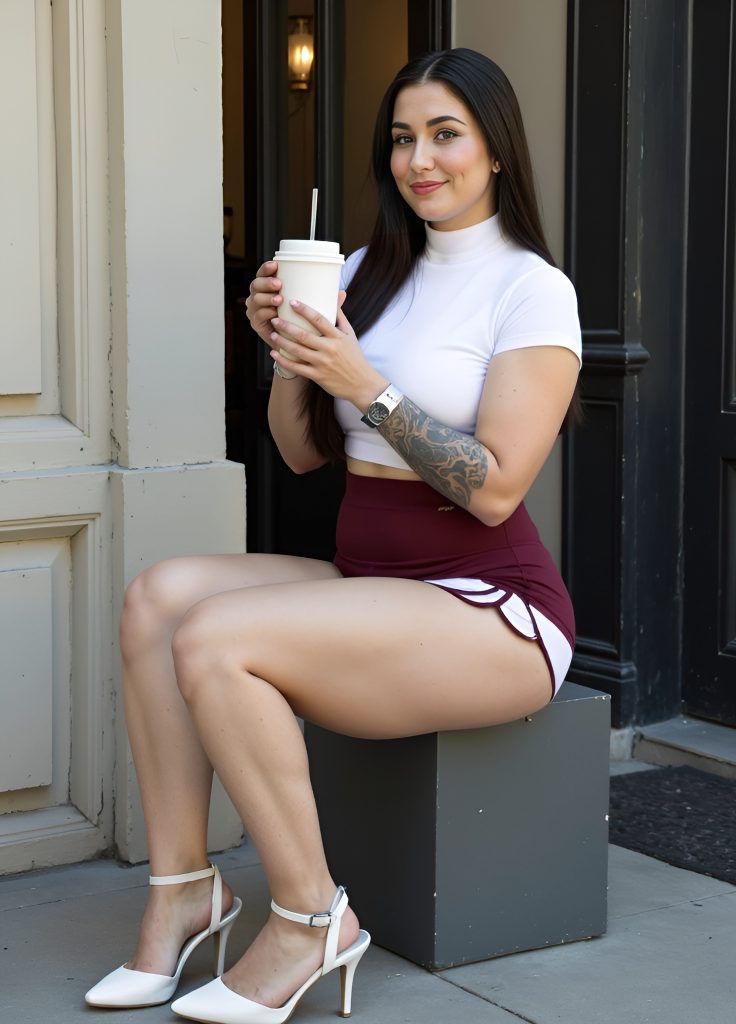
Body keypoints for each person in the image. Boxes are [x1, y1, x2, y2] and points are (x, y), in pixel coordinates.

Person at [85, 47, 581, 1024]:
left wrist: (366, 382)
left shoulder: (532, 290)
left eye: (445, 134)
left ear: (495, 149)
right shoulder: (364, 271)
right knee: (158, 597)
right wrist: (287, 353)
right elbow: (303, 453)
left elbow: (494, 490)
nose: (418, 160)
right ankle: (183, 892)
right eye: (402, 138)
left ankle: (311, 920)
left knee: (216, 639)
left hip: (491, 608)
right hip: (372, 580)